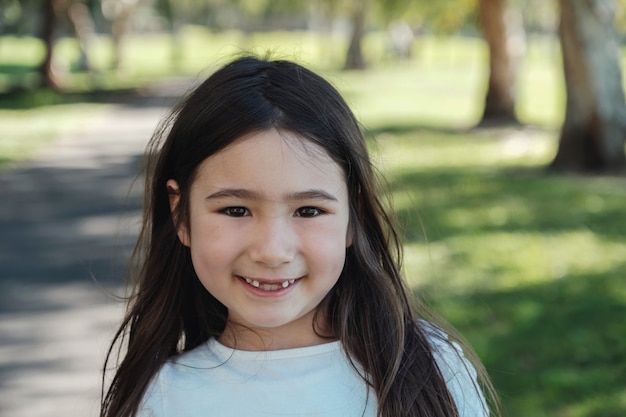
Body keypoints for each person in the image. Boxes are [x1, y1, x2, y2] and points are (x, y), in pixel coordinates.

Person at [101, 56, 500, 417]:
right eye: (236, 210)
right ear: (180, 214)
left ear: (353, 216)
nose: (272, 251)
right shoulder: (162, 400)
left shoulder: (428, 369)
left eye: (309, 211)